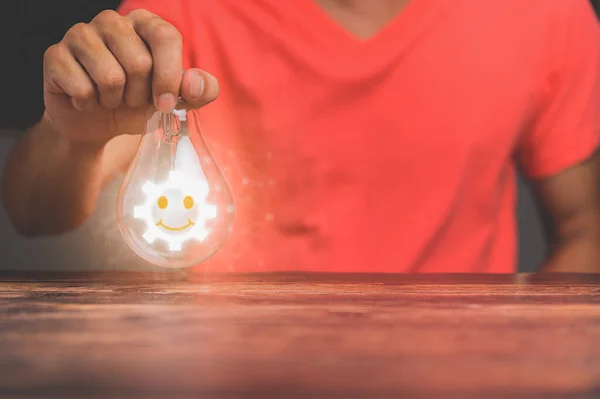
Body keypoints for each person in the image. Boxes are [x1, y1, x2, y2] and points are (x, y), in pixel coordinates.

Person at [2, 0, 600, 273]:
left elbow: (587, 234)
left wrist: (517, 366)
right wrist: (71, 135)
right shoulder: (180, 15)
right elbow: (36, 215)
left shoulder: (545, 14)